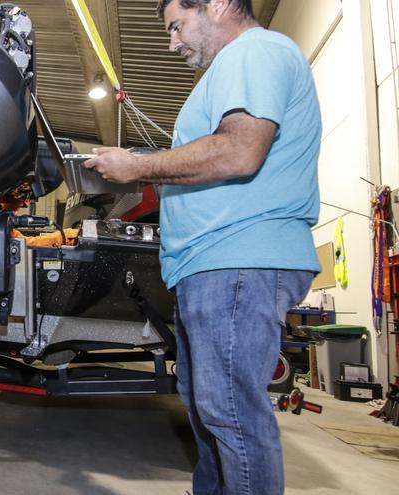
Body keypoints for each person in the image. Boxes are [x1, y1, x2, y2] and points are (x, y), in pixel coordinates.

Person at [84, 0, 321, 493]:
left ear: (215, 4)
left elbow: (239, 150)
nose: (173, 43)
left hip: (239, 256)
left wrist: (139, 167)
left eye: (177, 26)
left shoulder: (254, 53)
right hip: (212, 263)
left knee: (229, 411)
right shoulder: (234, 67)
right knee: (210, 409)